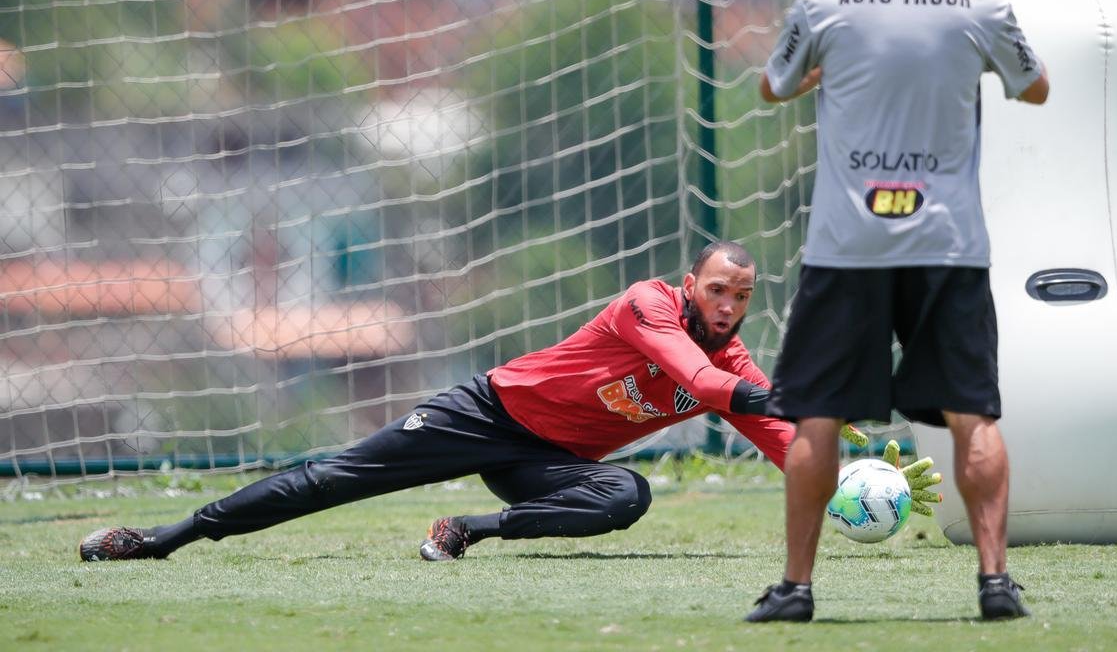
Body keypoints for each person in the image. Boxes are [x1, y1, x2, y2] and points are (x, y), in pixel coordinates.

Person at [79, 241, 939, 564]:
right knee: (333, 479)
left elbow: (778, 438)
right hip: (485, 414)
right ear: (691, 283)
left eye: (741, 296)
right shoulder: (648, 306)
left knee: (627, 495)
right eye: (718, 288)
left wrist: (853, 474)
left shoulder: (736, 351)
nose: (727, 305)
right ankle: (165, 539)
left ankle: (469, 534)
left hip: (544, 466)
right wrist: (783, 390)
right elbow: (708, 383)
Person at [745, 0, 1049, 624]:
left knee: (816, 414)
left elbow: (772, 85)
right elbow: (1036, 86)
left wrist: (822, 73)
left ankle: (796, 589)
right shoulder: (981, 3)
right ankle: (995, 584)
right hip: (948, 243)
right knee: (973, 414)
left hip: (847, 245)